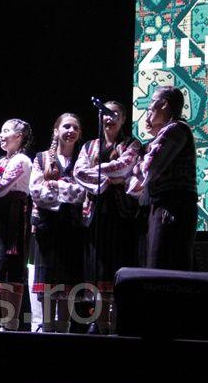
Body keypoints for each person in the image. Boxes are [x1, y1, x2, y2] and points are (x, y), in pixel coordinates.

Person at [74, 101, 142, 333]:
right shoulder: (89, 146)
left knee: (118, 265)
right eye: (105, 113)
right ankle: (98, 321)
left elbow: (124, 166)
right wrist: (108, 181)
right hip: (95, 214)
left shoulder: (132, 144)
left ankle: (117, 324)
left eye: (115, 114)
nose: (109, 117)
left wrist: (101, 174)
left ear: (123, 119)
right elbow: (78, 172)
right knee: (96, 266)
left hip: (121, 214)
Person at [129, 86, 197, 271]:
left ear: (165, 104)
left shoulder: (175, 129)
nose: (148, 110)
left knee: (163, 265)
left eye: (152, 104)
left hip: (173, 206)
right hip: (166, 206)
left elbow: (149, 167)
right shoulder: (170, 132)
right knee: (159, 264)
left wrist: (137, 164)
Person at [30, 113, 87, 333]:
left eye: (75, 128)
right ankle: (46, 330)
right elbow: (36, 192)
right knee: (47, 286)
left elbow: (84, 193)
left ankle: (63, 333)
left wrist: (57, 186)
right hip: (47, 229)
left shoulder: (83, 159)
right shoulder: (42, 158)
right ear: (56, 131)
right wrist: (69, 190)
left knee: (67, 286)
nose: (71, 131)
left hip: (73, 229)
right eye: (66, 126)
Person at [0, 119, 33, 332]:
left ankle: (11, 324)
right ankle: (5, 323)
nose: (1, 135)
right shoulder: (2, 160)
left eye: (6, 131)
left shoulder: (22, 160)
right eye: (1, 131)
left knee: (11, 268)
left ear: (19, 136)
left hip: (14, 218)